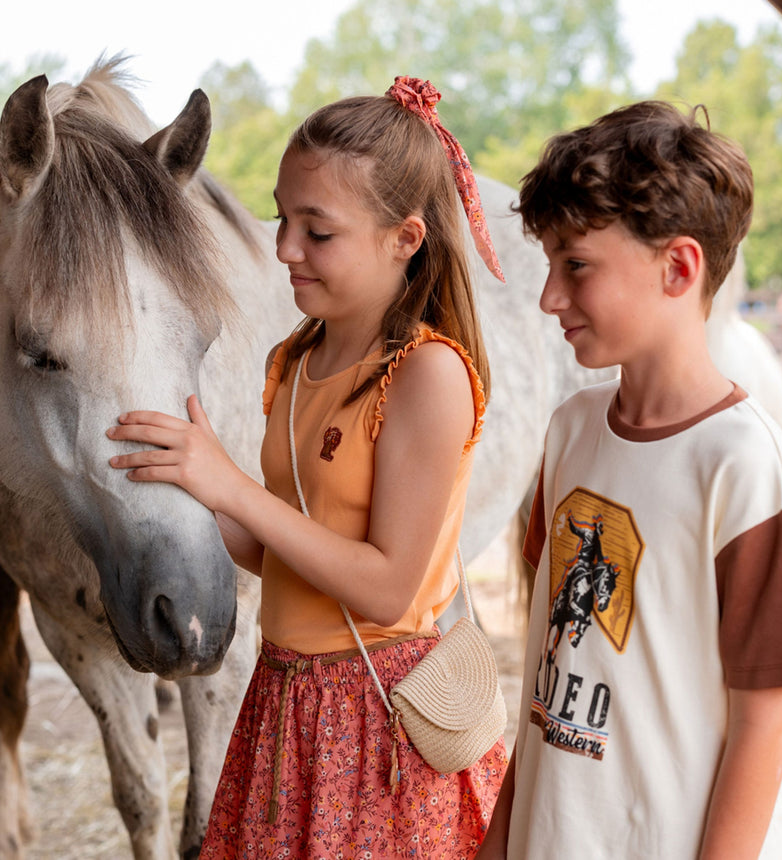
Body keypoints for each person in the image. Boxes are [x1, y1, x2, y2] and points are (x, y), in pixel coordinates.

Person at [108, 76, 507, 857]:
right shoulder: (294, 362)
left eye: (316, 231)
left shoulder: (427, 375)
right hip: (284, 702)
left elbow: (387, 587)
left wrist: (231, 486)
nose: (285, 248)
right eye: (282, 219)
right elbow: (280, 555)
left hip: (380, 717)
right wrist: (191, 484)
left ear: (405, 238)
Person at [477, 101, 782, 859]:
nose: (548, 297)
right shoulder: (569, 430)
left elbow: (766, 720)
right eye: (549, 265)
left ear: (678, 268)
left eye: (576, 265)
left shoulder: (743, 464)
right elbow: (548, 673)